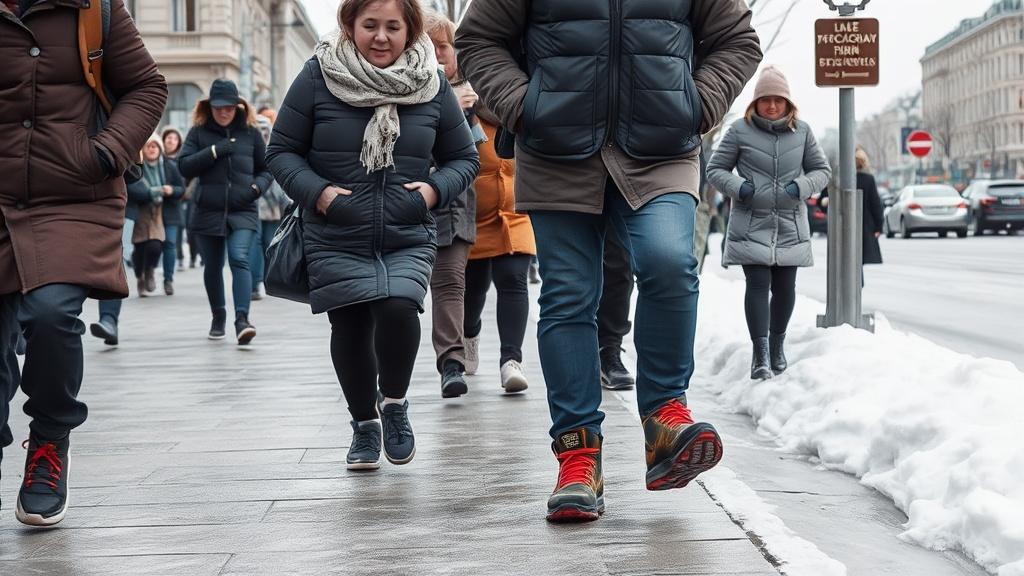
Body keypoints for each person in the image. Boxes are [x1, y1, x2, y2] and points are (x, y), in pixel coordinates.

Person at [457, 0, 762, 522]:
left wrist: (696, 103)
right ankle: (578, 459)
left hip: (662, 146)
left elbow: (737, 40)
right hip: (555, 147)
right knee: (569, 294)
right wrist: (526, 105)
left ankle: (665, 419)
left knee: (670, 262)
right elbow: (479, 39)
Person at [267, 0, 479, 470]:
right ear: (349, 25)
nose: (381, 37)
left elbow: (464, 158)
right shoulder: (319, 75)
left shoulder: (430, 82)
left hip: (406, 228)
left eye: (392, 27)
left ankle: (395, 404)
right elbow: (281, 151)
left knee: (399, 308)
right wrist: (321, 195)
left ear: (410, 31)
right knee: (350, 325)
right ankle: (364, 424)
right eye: (370, 25)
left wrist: (431, 192)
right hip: (335, 229)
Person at [0, 0, 167, 526]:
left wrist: (105, 152)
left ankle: (49, 441)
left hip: (72, 194)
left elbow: (147, 87)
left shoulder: (94, 8)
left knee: (51, 314)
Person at [707, 66, 832, 380]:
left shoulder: (802, 132)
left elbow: (822, 171)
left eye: (778, 100)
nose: (772, 105)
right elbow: (715, 169)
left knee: (786, 288)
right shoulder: (739, 130)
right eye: (766, 99)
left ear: (788, 103)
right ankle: (760, 355)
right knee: (758, 285)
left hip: (790, 225)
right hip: (751, 224)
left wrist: (800, 187)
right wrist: (741, 188)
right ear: (756, 102)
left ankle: (777, 347)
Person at [178, 79, 272, 345]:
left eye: (229, 107)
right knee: (213, 266)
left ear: (238, 106)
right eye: (218, 107)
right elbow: (183, 166)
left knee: (239, 258)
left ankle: (242, 320)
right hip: (208, 209)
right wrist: (213, 151)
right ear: (209, 107)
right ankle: (218, 316)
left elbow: (266, 169)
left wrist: (255, 188)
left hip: (243, 208)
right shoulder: (198, 132)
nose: (224, 112)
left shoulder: (251, 133)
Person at [422, 10, 480, 398]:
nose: (438, 53)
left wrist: (464, 112)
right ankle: (385, 377)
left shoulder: (469, 92)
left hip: (453, 200)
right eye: (430, 45)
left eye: (444, 45)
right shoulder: (392, 84)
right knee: (400, 293)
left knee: (450, 282)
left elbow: (473, 152)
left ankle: (452, 363)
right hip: (402, 201)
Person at [460, 103, 537, 395]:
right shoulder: (462, 106)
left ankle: (511, 361)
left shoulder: (517, 108)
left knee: (514, 278)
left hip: (516, 213)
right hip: (474, 216)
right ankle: (469, 335)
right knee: (473, 286)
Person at [89, 170, 155, 346]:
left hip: (116, 212)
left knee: (113, 260)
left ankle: (108, 320)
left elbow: (134, 174)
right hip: (71, 212)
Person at [819, 147, 884, 283]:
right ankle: (856, 288)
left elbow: (822, 200)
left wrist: (827, 202)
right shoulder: (868, 179)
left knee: (844, 261)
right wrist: (878, 227)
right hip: (863, 228)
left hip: (840, 227)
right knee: (857, 261)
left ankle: (851, 287)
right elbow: (876, 205)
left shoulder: (837, 179)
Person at [249, 114, 290, 301]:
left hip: (265, 204)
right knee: (263, 244)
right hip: (261, 203)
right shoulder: (269, 148)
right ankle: (260, 283)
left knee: (264, 244)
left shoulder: (260, 147)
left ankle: (261, 283)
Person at [161, 127, 189, 273]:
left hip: (173, 208)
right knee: (152, 245)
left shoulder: (181, 161)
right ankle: (147, 273)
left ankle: (168, 278)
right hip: (153, 208)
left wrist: (172, 190)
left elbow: (183, 188)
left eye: (175, 138)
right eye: (169, 138)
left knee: (170, 243)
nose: (171, 141)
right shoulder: (155, 158)